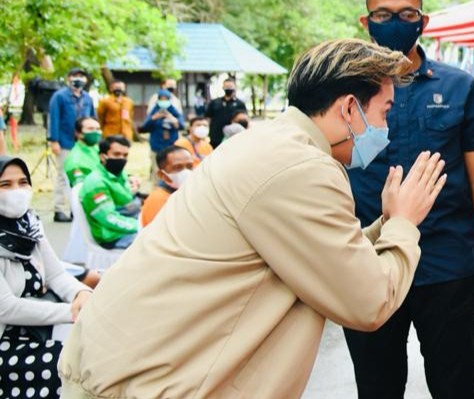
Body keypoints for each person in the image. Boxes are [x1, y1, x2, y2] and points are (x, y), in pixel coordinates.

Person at [59, 38, 445, 398]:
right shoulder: (302, 168)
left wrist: (388, 220)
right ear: (348, 108)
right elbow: (368, 300)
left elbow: (326, 256)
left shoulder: (268, 143)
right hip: (150, 384)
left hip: (126, 369)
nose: (386, 127)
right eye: (384, 112)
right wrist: (404, 224)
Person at [346, 0, 474, 399]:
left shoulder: (458, 87)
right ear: (366, 21)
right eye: (383, 13)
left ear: (423, 20)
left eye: (406, 13)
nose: (395, 21)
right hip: (368, 264)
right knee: (377, 388)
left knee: (455, 386)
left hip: (446, 261)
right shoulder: (342, 88)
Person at [0, 155, 93, 399]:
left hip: (40, 327)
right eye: (5, 185)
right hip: (8, 340)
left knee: (100, 350)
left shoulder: (29, 226)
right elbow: (6, 308)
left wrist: (80, 293)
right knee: (68, 365)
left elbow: (56, 274)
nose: (17, 191)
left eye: (23, 182)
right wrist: (70, 312)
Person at [47, 68, 97, 222]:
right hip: (64, 142)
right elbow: (53, 119)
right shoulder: (59, 96)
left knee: (83, 176)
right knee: (63, 175)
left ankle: (77, 209)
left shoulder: (87, 98)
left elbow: (93, 119)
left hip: (83, 144)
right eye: (75, 76)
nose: (79, 79)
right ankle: (60, 209)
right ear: (69, 78)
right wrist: (53, 140)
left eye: (82, 76)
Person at [140, 145, 193, 227]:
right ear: (162, 175)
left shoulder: (189, 191)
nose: (186, 172)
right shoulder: (158, 199)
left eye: (190, 166)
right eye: (178, 167)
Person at [139, 89, 184, 177]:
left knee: (172, 171)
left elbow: (181, 126)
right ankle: (156, 188)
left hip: (171, 146)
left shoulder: (174, 111)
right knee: (157, 171)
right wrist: (154, 118)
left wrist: (172, 119)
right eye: (161, 99)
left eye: (165, 99)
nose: (163, 101)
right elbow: (144, 127)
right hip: (156, 147)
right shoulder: (154, 111)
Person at [206, 78, 248, 148]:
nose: (228, 89)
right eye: (226, 87)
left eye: (230, 87)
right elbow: (208, 117)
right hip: (216, 136)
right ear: (223, 87)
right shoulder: (215, 102)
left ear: (235, 87)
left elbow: (245, 119)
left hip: (233, 137)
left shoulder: (240, 104)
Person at [64, 117, 104, 187]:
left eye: (98, 129)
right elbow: (81, 189)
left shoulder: (97, 149)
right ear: (78, 133)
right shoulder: (75, 160)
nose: (95, 132)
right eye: (90, 129)